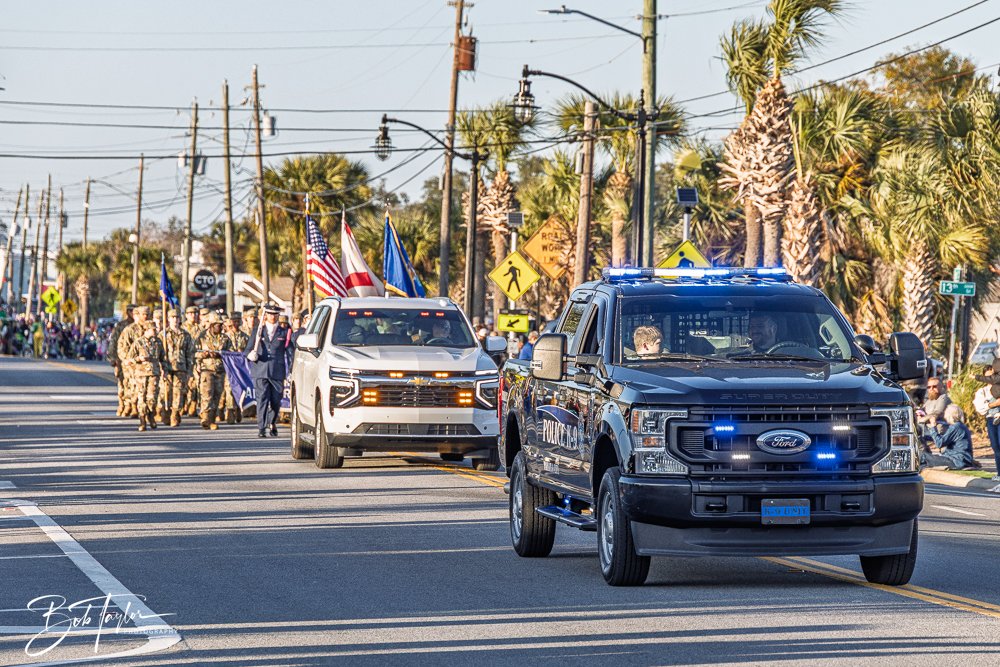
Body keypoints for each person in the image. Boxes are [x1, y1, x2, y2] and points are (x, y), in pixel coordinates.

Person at [244, 303, 290, 438]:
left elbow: (290, 352)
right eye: (270, 314)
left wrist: (292, 368)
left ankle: (272, 422)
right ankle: (262, 428)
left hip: (277, 371)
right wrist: (250, 355)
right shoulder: (258, 331)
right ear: (266, 315)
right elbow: (247, 349)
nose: (273, 317)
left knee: (276, 401)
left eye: (275, 314)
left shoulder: (284, 332)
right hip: (261, 370)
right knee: (262, 398)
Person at [196, 312, 231, 430]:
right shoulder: (201, 337)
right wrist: (203, 354)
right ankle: (205, 418)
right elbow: (193, 352)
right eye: (218, 325)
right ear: (211, 325)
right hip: (207, 369)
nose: (220, 327)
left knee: (217, 395)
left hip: (220, 370)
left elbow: (230, 353)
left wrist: (220, 354)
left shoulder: (225, 338)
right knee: (207, 393)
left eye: (221, 325)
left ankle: (212, 418)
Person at [127, 321, 164, 432]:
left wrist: (165, 370)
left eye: (155, 329)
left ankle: (151, 415)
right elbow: (129, 359)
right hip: (141, 374)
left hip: (154, 373)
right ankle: (142, 420)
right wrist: (138, 359)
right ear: (146, 330)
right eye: (153, 329)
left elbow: (163, 358)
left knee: (152, 398)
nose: (155, 331)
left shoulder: (158, 342)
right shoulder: (138, 343)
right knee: (141, 398)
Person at [162, 309, 195, 427]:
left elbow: (190, 353)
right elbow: (159, 352)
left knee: (178, 392)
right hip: (167, 366)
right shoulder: (163, 334)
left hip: (181, 367)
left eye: (177, 318)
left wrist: (190, 370)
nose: (175, 320)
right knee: (166, 391)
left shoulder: (185, 335)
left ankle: (175, 414)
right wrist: (161, 367)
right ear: (168, 319)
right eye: (172, 318)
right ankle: (166, 411)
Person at [117, 305, 150, 418]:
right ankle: (132, 406)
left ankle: (148, 410)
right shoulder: (130, 330)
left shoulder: (150, 329)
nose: (146, 317)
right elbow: (122, 347)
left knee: (147, 388)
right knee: (132, 386)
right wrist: (130, 360)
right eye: (143, 314)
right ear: (138, 315)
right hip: (132, 364)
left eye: (147, 314)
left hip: (147, 364)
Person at [924, 404, 978, 470]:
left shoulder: (955, 427)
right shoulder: (961, 426)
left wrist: (933, 426)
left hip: (956, 461)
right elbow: (943, 438)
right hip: (962, 460)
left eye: (946, 414)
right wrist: (924, 436)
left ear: (950, 415)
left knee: (922, 456)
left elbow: (939, 443)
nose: (945, 417)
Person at [107, 305, 134, 416]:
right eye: (132, 311)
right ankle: (123, 404)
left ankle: (132, 406)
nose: (134, 314)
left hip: (136, 360)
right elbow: (114, 342)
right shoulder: (121, 326)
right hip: (122, 359)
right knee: (123, 383)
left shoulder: (142, 326)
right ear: (127, 312)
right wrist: (114, 359)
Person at [221, 313, 249, 424]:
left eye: (238, 321)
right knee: (229, 389)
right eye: (234, 321)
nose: (236, 323)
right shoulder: (225, 337)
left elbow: (249, 351)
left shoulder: (245, 336)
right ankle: (230, 412)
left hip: (241, 368)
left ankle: (238, 409)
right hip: (229, 367)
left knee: (240, 389)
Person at [916, 377, 951, 443]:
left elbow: (936, 413)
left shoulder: (943, 398)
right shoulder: (929, 400)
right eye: (929, 387)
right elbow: (922, 411)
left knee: (916, 436)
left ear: (941, 387)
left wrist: (921, 419)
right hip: (927, 429)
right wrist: (918, 414)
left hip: (939, 430)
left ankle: (925, 452)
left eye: (934, 386)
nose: (931, 389)